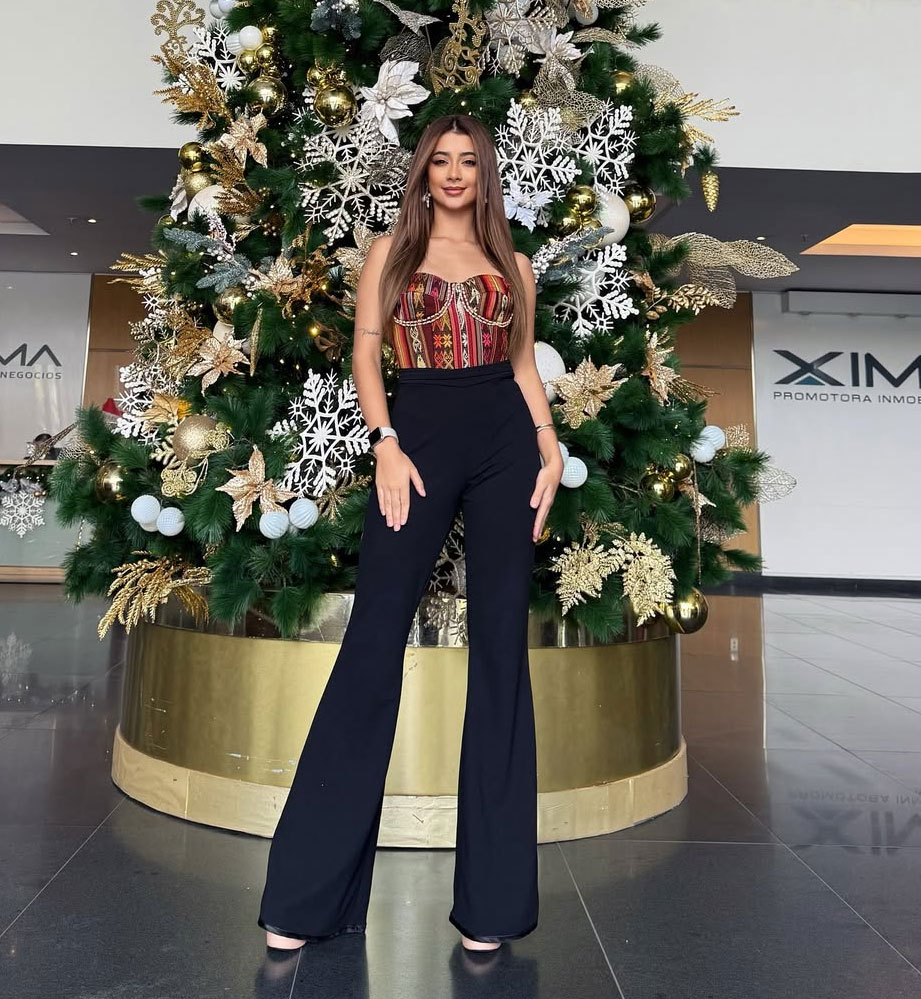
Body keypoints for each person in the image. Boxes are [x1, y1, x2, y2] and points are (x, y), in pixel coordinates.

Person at [257, 113, 564, 955]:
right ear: (423, 172)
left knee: (500, 648)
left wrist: (547, 442)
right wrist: (384, 442)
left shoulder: (514, 264)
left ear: (483, 173)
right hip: (416, 432)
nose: (454, 173)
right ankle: (303, 897)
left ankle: (493, 906)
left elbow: (521, 363)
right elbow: (367, 355)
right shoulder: (390, 253)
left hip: (506, 443)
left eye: (468, 161)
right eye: (440, 160)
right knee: (373, 637)